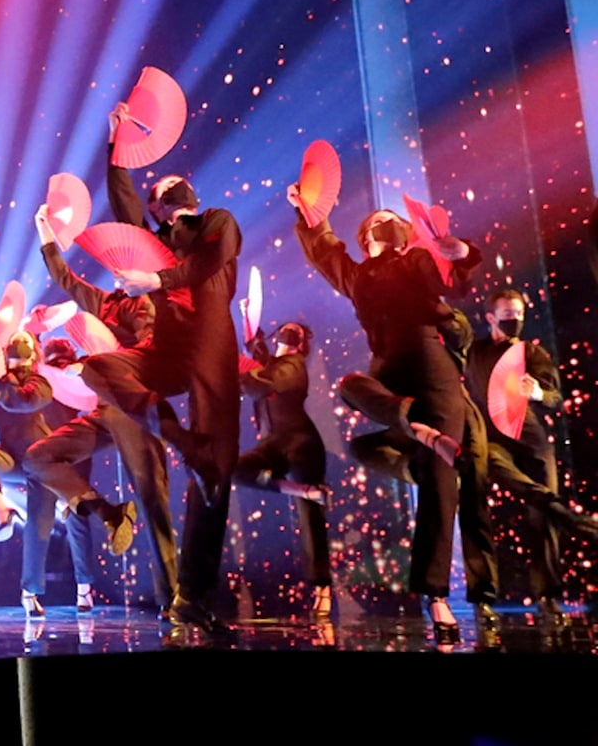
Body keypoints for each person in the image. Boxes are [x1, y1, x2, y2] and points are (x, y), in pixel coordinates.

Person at [84, 103, 243, 637]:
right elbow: (123, 201)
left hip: (213, 348)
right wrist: (117, 144)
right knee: (99, 367)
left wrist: (158, 281)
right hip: (167, 347)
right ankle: (177, 435)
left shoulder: (216, 222)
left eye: (173, 186)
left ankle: (192, 597)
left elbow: (207, 263)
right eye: (158, 191)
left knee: (215, 479)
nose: (166, 189)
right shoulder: (150, 240)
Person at [291, 195, 479, 642]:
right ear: (366, 236)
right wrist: (309, 208)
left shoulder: (414, 258)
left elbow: (448, 280)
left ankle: (435, 597)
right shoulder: (356, 274)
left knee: (440, 481)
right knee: (350, 387)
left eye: (394, 219)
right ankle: (419, 430)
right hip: (385, 367)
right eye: (379, 219)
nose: (387, 221)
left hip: (430, 358)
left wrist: (461, 254)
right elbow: (324, 247)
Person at [27, 205, 179, 614]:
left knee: (153, 500)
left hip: (136, 408)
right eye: (116, 271)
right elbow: (64, 279)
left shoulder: (146, 307)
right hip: (106, 408)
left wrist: (99, 365)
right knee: (38, 458)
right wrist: (45, 232)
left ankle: (174, 598)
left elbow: (153, 352)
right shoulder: (107, 302)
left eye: (127, 272)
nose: (118, 275)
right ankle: (109, 513)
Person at [0, 331, 131, 617]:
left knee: (49, 524)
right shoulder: (3, 382)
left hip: (45, 460)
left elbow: (28, 400)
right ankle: (2, 511)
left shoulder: (41, 382)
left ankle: (68, 588)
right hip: (17, 459)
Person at [462, 287, 598, 626]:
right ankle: (482, 599)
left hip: (532, 442)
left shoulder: (530, 352)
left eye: (519, 316)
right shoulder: (473, 352)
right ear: (490, 318)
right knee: (476, 512)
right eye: (508, 316)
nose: (515, 321)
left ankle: (547, 598)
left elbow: (553, 396)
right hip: (490, 441)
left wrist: (537, 391)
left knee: (542, 518)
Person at [233, 321, 332, 618]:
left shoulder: (293, 365)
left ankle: (322, 588)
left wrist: (238, 370)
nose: (289, 332)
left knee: (310, 519)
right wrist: (250, 322)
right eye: (286, 329)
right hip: (274, 445)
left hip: (301, 444)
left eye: (295, 332)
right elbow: (259, 357)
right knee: (236, 470)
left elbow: (262, 382)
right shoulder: (274, 362)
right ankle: (304, 491)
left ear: (301, 344)